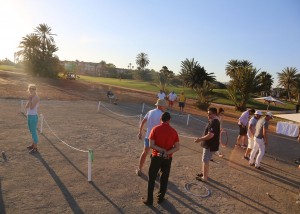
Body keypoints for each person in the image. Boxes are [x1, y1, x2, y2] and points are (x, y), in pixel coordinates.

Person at [142, 112, 180, 206]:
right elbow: (177, 147)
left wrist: (161, 150)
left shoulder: (155, 129)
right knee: (164, 178)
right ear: (169, 120)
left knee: (152, 178)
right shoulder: (174, 131)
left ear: (160, 119)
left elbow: (151, 145)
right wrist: (167, 152)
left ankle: (149, 200)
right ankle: (160, 198)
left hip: (156, 156)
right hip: (167, 158)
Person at [137, 99, 167, 176]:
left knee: (144, 153)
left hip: (148, 136)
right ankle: (155, 172)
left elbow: (143, 122)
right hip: (157, 138)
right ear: (160, 106)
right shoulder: (162, 115)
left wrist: (140, 132)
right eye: (164, 106)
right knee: (156, 155)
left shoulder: (150, 112)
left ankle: (139, 169)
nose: (165, 107)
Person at [194, 107, 220, 182]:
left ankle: (204, 178)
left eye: (210, 114)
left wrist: (199, 139)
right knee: (204, 159)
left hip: (210, 146)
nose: (208, 115)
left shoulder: (213, 122)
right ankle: (203, 173)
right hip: (208, 145)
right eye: (207, 113)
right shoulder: (213, 121)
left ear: (214, 114)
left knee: (205, 160)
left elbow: (210, 135)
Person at [25, 84, 40, 154]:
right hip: (29, 115)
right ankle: (33, 144)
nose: (31, 90)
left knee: (34, 132)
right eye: (30, 88)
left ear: (35, 90)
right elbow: (26, 107)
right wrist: (29, 100)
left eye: (33, 88)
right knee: (31, 131)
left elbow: (31, 107)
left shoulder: (36, 97)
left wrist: (30, 99)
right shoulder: (31, 97)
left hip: (33, 116)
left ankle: (35, 148)